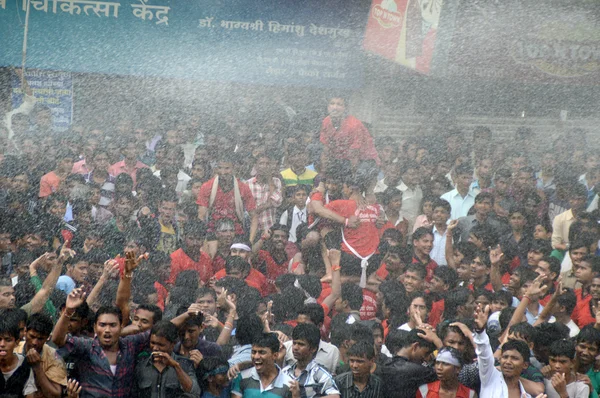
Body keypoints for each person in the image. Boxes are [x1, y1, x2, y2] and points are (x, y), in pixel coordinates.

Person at [472, 303, 532, 397]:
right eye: (505, 357)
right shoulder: (490, 376)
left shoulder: (526, 396)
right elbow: (484, 355)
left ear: (525, 364)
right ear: (500, 359)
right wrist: (480, 332)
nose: (508, 362)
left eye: (514, 358)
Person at [197, 152, 258, 242]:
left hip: (236, 234)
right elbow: (201, 216)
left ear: (234, 168)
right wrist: (203, 242)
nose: (223, 172)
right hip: (213, 233)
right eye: (220, 168)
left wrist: (250, 241)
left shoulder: (243, 188)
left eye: (227, 168)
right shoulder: (207, 187)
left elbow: (254, 217)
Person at [133, 321, 200, 397]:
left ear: (173, 344)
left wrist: (175, 366)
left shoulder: (185, 365)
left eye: (161, 345)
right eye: (152, 343)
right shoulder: (141, 366)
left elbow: (194, 392)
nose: (155, 348)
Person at [319, 96, 379, 168]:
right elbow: (325, 149)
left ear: (345, 108)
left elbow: (354, 154)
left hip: (365, 159)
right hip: (342, 158)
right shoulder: (326, 122)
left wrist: (353, 177)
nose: (335, 107)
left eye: (339, 104)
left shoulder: (354, 125)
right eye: (332, 103)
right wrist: (323, 171)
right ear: (328, 107)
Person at [282, 323, 341, 396]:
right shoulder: (285, 372)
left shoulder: (320, 374)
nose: (295, 348)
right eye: (294, 343)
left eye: (301, 344)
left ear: (313, 348)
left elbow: (335, 396)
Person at [376, 328, 437, 398]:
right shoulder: (414, 370)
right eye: (426, 353)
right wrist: (437, 340)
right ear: (415, 346)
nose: (426, 359)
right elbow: (446, 374)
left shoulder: (385, 364)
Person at [231, 333, 294, 398]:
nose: (256, 356)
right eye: (253, 352)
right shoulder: (242, 378)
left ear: (275, 355)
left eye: (262, 352)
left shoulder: (288, 385)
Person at [0, 316, 38, 397]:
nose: (2, 344)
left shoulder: (24, 366)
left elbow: (30, 395)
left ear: (16, 342)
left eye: (8, 340)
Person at [247, 153, 284, 234]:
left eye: (267, 164)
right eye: (261, 163)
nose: (265, 166)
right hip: (252, 228)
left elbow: (277, 201)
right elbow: (249, 209)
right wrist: (269, 203)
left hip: (270, 226)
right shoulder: (248, 184)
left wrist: (269, 179)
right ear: (255, 166)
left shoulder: (276, 181)